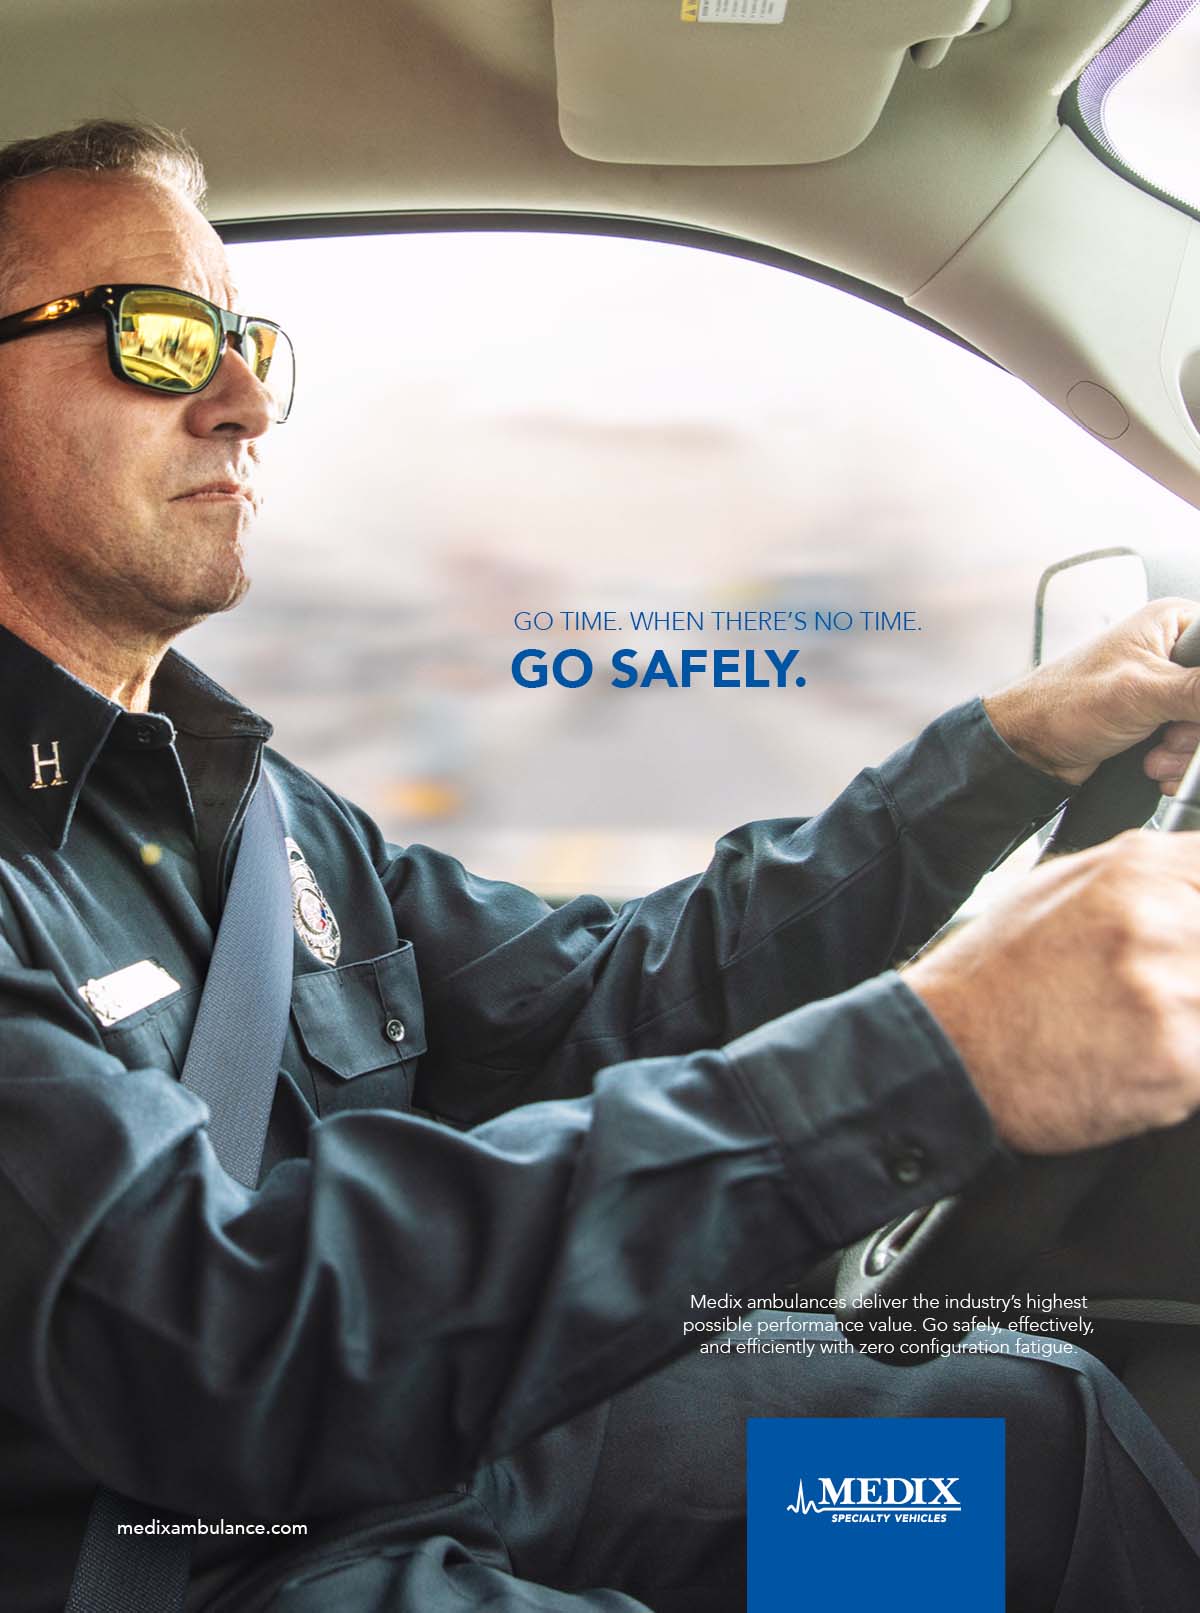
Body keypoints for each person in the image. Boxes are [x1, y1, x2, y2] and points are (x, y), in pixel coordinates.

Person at [2, 119, 1200, 1613]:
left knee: (1041, 1470)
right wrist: (937, 1058)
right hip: (193, 1550)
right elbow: (214, 1338)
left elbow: (607, 1000)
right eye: (161, 338)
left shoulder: (248, 805)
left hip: (445, 1448)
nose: (243, 399)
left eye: (241, 339)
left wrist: (1009, 754)